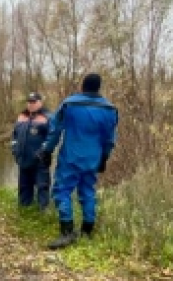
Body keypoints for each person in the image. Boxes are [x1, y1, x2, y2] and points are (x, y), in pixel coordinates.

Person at [37, 73, 118, 250]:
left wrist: (47, 150)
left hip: (71, 157)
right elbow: (110, 138)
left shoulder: (70, 104)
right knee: (88, 191)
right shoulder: (110, 109)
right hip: (93, 158)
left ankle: (67, 232)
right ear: (98, 87)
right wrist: (104, 157)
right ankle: (87, 231)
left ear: (82, 86)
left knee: (62, 191)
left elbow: (55, 130)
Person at [11, 92, 52, 211]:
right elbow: (14, 135)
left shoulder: (47, 117)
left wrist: (43, 151)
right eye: (29, 102)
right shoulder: (21, 116)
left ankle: (43, 211)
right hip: (23, 159)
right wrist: (14, 149)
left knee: (42, 186)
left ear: (40, 102)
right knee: (24, 186)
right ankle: (25, 208)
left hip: (40, 160)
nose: (31, 104)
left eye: (34, 102)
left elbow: (51, 137)